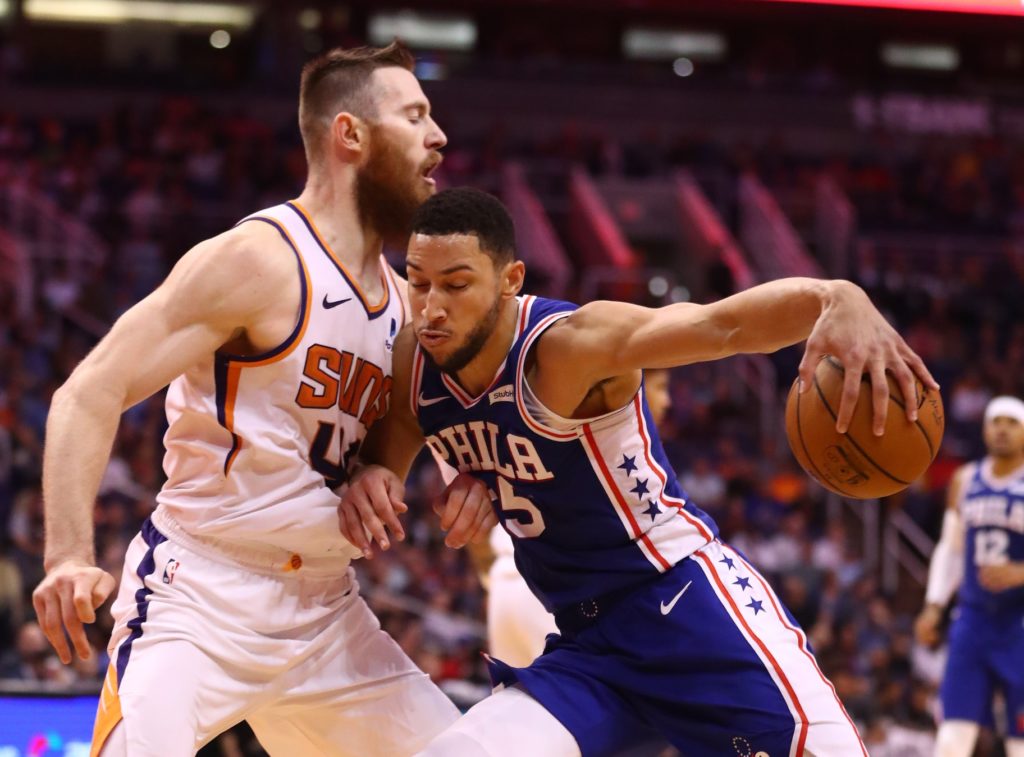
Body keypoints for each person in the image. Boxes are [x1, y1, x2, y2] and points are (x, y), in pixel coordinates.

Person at [340, 187, 938, 757]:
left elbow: (721, 326)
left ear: (510, 280)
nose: (431, 307)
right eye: (418, 282)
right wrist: (379, 475)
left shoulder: (570, 346)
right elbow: (388, 456)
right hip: (588, 648)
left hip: (684, 607)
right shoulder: (413, 362)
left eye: (456, 285)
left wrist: (835, 297)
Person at [31, 43, 495, 757]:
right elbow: (89, 391)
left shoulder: (405, 303)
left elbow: (410, 435)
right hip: (201, 596)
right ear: (350, 134)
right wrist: (67, 555)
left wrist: (426, 475)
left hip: (326, 613)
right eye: (415, 116)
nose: (438, 137)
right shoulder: (260, 259)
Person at [914, 395, 1024, 757]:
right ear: (984, 429)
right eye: (996, 422)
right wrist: (934, 605)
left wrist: (1020, 572)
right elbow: (951, 549)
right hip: (973, 621)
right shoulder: (964, 479)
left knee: (1020, 743)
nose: (1003, 430)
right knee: (951, 738)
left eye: (1012, 423)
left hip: (1018, 625)